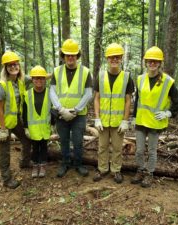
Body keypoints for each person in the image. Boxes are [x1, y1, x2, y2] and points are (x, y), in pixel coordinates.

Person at [131, 46, 178, 188]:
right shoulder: (140, 79)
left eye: (155, 61)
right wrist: (133, 116)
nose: (152, 64)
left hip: (155, 122)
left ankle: (149, 174)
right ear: (146, 62)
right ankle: (140, 170)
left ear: (160, 63)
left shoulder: (167, 81)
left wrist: (169, 113)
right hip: (141, 120)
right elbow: (138, 100)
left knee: (152, 151)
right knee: (140, 150)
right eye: (150, 61)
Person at [49, 39, 93, 178]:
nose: (70, 57)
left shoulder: (85, 72)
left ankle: (78, 164)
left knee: (78, 140)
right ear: (63, 56)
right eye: (67, 55)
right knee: (64, 140)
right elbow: (52, 91)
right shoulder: (57, 71)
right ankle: (65, 163)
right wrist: (61, 109)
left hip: (78, 115)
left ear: (77, 56)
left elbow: (88, 93)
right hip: (61, 114)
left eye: (73, 55)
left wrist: (75, 110)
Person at [93, 43, 134, 184]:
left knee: (117, 148)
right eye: (112, 57)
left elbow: (128, 101)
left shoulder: (127, 77)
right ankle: (102, 169)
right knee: (102, 147)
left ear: (121, 58)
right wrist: (97, 118)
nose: (114, 60)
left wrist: (125, 120)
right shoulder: (101, 76)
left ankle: (116, 170)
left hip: (118, 122)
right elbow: (97, 98)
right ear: (107, 59)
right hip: (103, 121)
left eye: (117, 57)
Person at [0, 51, 32, 189]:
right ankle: (7, 179)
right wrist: (3, 129)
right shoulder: (2, 85)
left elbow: (39, 77)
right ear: (6, 68)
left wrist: (56, 72)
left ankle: (25, 162)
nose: (13, 67)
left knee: (27, 140)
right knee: (4, 152)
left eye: (15, 64)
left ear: (19, 66)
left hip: (15, 120)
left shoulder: (21, 80)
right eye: (10, 65)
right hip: (2, 124)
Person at [23, 65, 51, 178]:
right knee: (34, 148)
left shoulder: (50, 92)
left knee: (44, 147)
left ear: (45, 79)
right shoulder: (27, 94)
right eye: (36, 78)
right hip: (33, 129)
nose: (39, 81)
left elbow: (52, 110)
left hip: (45, 127)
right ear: (32, 80)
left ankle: (43, 165)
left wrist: (54, 126)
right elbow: (24, 112)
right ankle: (35, 165)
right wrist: (25, 127)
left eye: (41, 78)